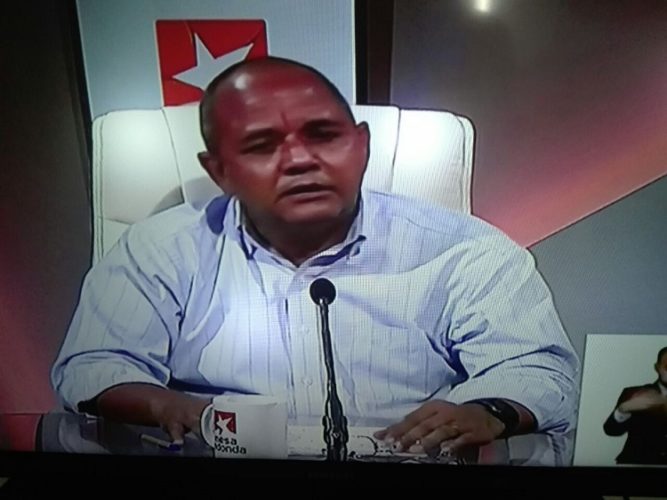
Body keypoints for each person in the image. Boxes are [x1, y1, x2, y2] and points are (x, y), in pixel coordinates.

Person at [51, 57, 578, 461]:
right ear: (220, 172)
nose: (300, 160)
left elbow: (538, 369)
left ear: (362, 146)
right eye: (262, 145)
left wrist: (486, 411)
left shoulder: (464, 249)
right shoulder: (160, 248)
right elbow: (93, 366)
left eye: (323, 136)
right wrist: (168, 406)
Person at [603, 347, 667, 465]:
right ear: (657, 367)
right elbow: (611, 430)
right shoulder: (633, 393)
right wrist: (624, 409)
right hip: (636, 464)